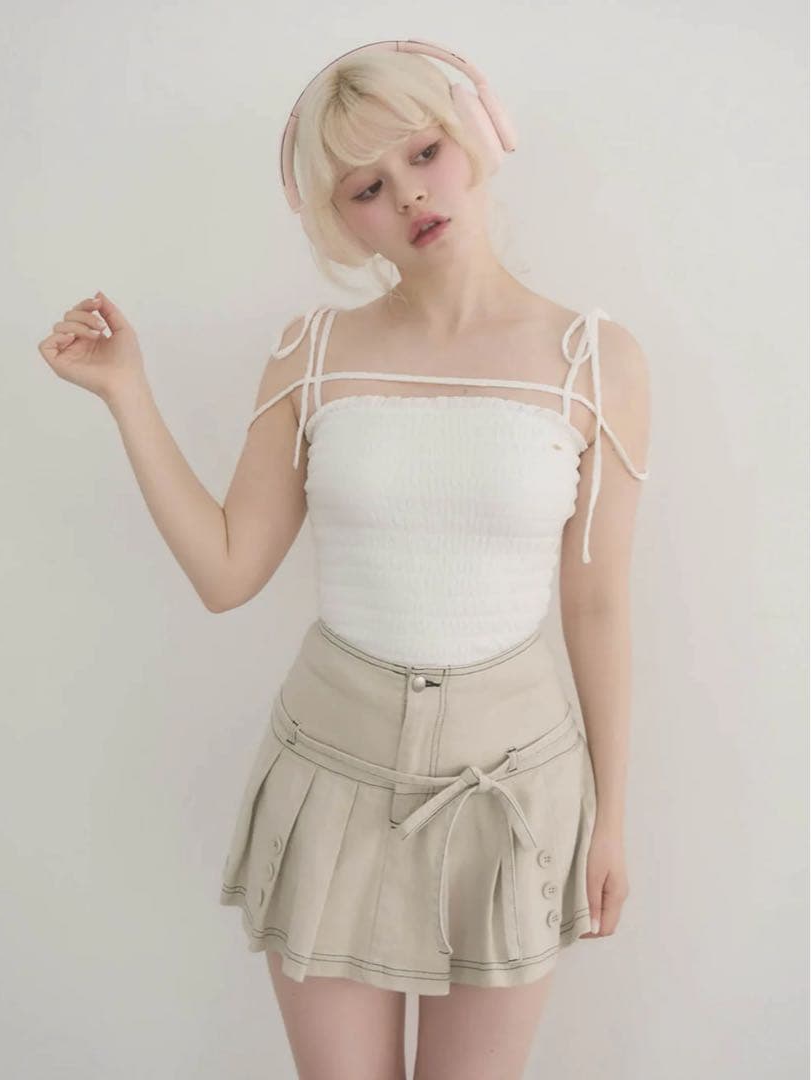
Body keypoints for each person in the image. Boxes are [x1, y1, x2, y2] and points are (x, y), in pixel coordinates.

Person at [37, 39, 650, 1080]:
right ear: (337, 219)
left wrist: (611, 818)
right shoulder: (311, 352)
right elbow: (227, 572)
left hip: (513, 787)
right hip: (331, 774)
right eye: (366, 187)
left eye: (424, 151)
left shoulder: (596, 360)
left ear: (477, 137)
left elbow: (595, 606)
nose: (408, 193)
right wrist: (127, 393)